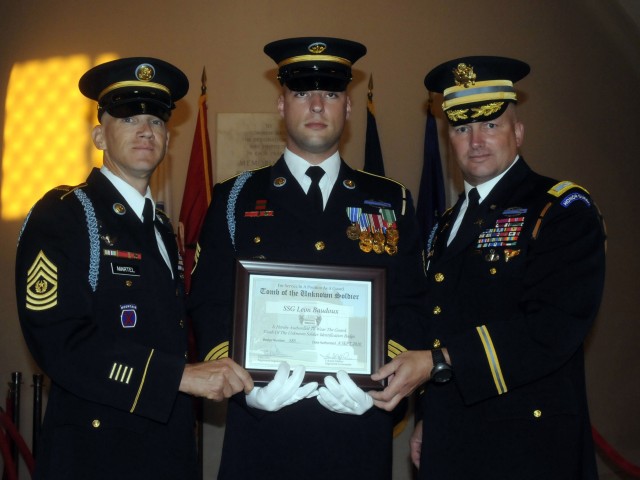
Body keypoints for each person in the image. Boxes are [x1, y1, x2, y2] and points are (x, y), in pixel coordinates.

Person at [188, 37, 427, 479]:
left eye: (331, 93)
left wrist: (380, 381)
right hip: (262, 442)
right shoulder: (234, 198)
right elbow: (210, 302)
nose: (317, 105)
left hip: (357, 439)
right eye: (302, 93)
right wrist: (245, 388)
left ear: (348, 108)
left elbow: (411, 304)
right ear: (281, 105)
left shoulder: (390, 200)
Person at [15, 57, 253, 480]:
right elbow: (58, 341)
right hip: (97, 452)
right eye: (128, 117)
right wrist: (177, 376)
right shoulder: (66, 214)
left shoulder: (160, 226)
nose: (146, 129)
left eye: (157, 120)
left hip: (167, 446)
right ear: (99, 135)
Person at [369, 56, 606, 479]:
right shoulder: (445, 225)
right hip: (452, 441)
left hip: (527, 451)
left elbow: (553, 326)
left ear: (518, 132)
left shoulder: (560, 208)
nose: (475, 140)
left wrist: (439, 361)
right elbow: (442, 320)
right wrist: (430, 415)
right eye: (461, 128)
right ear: (449, 139)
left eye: (490, 125)